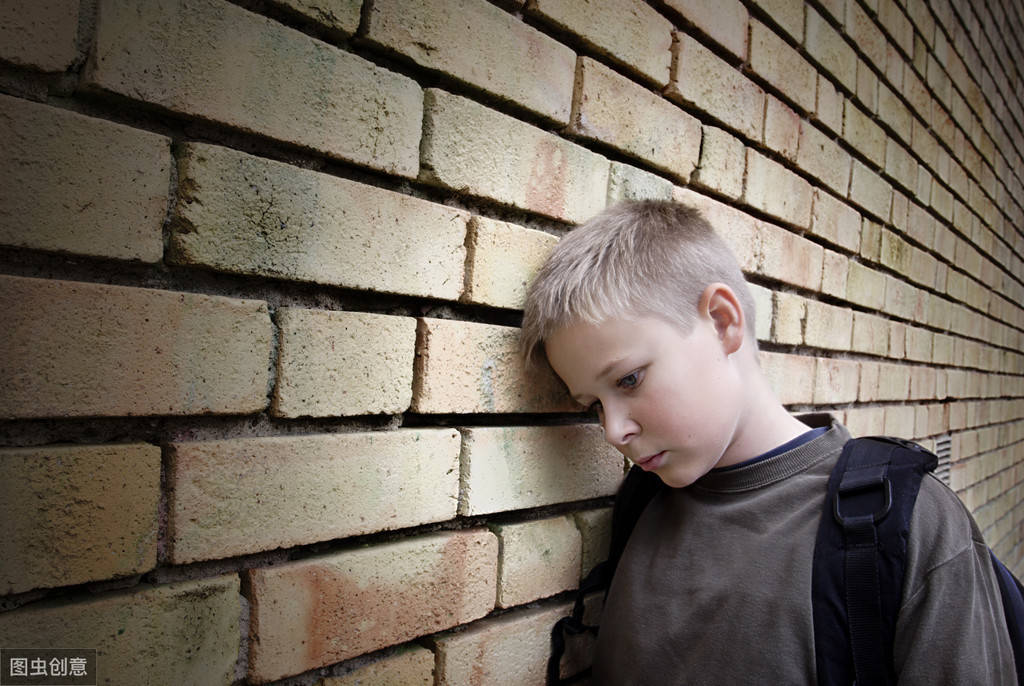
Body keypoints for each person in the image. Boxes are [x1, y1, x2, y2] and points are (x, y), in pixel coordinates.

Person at [519, 199, 1016, 684]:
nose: (613, 432)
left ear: (722, 322)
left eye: (628, 380)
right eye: (594, 406)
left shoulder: (906, 523)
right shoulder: (641, 504)